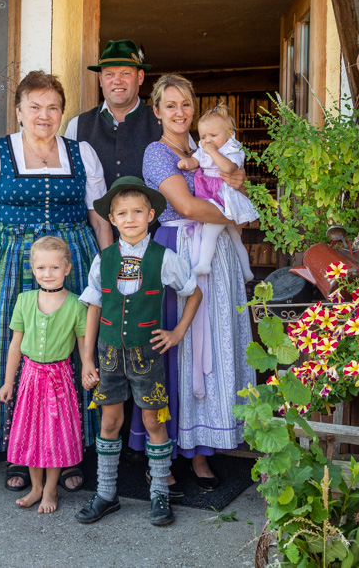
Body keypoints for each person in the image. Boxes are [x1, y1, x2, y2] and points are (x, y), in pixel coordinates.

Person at [0, 70, 112, 494]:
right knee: (15, 354)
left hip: (74, 261)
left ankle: (70, 451)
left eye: (53, 107)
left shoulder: (82, 153)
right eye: (35, 107)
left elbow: (98, 216)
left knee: (76, 354)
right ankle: (18, 454)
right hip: (11, 263)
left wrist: (108, 269)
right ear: (20, 111)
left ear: (62, 112)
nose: (45, 115)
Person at [140, 74, 256, 490]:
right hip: (180, 251)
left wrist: (236, 188)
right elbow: (186, 204)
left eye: (186, 104)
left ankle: (204, 449)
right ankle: (168, 451)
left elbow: (236, 178)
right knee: (182, 347)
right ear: (156, 111)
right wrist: (238, 211)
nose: (179, 112)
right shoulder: (157, 153)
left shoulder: (209, 146)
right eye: (170, 105)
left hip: (218, 253)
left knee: (219, 342)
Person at [75, 177, 202, 527]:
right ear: (112, 219)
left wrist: (177, 333)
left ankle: (160, 492)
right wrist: (87, 358)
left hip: (147, 355)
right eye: (122, 213)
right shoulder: (104, 259)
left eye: (137, 212)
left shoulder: (164, 258)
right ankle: (106, 493)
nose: (130, 219)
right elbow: (93, 308)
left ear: (150, 215)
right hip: (109, 353)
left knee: (152, 420)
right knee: (111, 420)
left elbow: (193, 293)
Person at [0, 236, 88, 514]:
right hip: (30, 379)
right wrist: (9, 382)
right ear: (33, 269)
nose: (48, 274)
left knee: (54, 435)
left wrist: (89, 371)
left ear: (67, 268)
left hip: (60, 378)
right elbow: (15, 345)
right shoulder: (24, 300)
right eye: (41, 268)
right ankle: (35, 488)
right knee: (32, 434)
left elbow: (83, 346)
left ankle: (50, 488)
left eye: (55, 268)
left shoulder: (76, 304)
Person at [176, 100, 258, 281]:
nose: (207, 141)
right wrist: (187, 163)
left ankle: (204, 263)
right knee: (235, 237)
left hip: (223, 195)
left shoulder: (233, 148)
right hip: (208, 191)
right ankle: (247, 271)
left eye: (213, 135)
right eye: (203, 136)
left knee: (211, 229)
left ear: (229, 134)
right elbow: (195, 160)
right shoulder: (204, 149)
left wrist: (213, 152)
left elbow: (228, 168)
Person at [64, 39, 163, 188]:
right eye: (109, 74)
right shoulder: (77, 126)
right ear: (100, 79)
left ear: (140, 77)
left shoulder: (164, 122)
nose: (117, 81)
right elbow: (66, 180)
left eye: (125, 73)